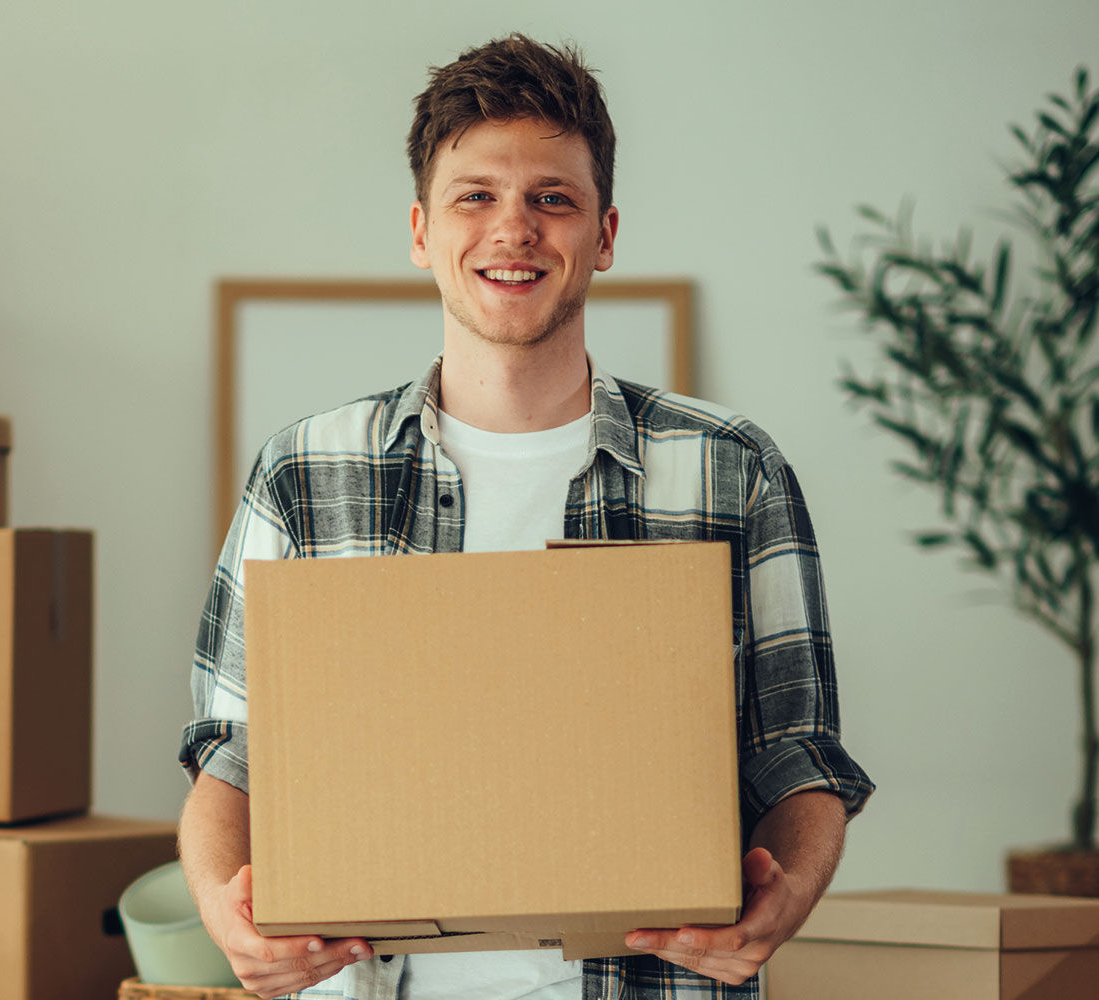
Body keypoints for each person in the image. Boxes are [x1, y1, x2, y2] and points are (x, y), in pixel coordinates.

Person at [177, 33, 874, 1000]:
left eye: (553, 198)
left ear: (606, 232)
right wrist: (222, 904)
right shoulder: (305, 470)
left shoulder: (727, 468)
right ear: (421, 230)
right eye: (476, 196)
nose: (515, 230)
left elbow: (797, 752)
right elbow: (232, 750)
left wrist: (785, 892)